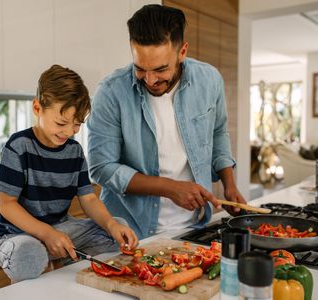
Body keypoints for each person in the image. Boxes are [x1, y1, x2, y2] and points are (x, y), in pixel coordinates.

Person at [87, 4, 246, 240]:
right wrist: (170, 188)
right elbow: (101, 168)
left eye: (161, 69)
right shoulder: (110, 93)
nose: (150, 80)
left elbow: (218, 131)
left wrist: (229, 183)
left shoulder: (210, 80)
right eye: (140, 68)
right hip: (128, 231)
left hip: (195, 227)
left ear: (182, 52)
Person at [0, 64, 138, 283]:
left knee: (117, 229)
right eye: (61, 123)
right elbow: (7, 204)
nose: (69, 132)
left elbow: (88, 198)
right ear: (37, 108)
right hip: (17, 234)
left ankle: (54, 260)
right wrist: (46, 234)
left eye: (77, 124)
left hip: (60, 228)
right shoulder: (18, 146)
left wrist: (111, 224)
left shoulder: (74, 151)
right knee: (29, 254)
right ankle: (50, 260)